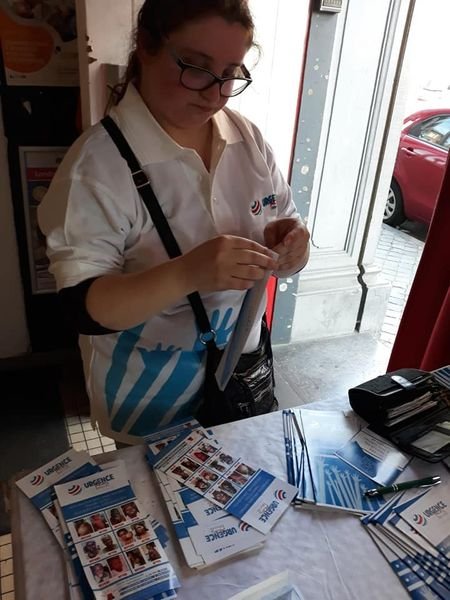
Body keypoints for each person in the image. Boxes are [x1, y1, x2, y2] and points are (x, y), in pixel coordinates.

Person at [38, 0, 310, 445]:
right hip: (148, 398)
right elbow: (81, 306)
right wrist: (188, 272)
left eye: (230, 73)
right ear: (146, 47)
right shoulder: (96, 167)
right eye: (196, 68)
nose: (215, 94)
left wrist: (295, 247)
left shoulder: (248, 139)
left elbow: (286, 221)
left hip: (240, 373)